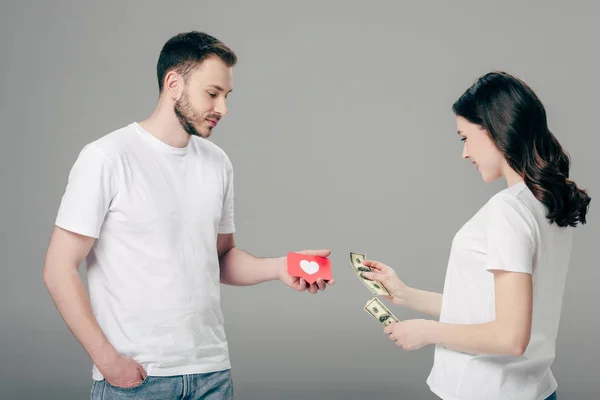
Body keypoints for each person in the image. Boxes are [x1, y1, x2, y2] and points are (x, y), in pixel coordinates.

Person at [42, 31, 334, 400]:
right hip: (139, 378)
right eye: (212, 94)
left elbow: (221, 258)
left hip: (211, 372)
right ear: (174, 84)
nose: (222, 108)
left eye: (226, 96)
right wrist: (107, 360)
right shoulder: (107, 157)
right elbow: (57, 268)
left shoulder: (217, 164)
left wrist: (281, 267)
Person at [361, 71, 590, 400]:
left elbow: (511, 337)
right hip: (535, 390)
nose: (464, 153)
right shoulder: (547, 204)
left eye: (465, 137)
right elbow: (488, 311)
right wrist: (405, 294)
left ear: (496, 129)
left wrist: (426, 333)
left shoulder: (508, 211)